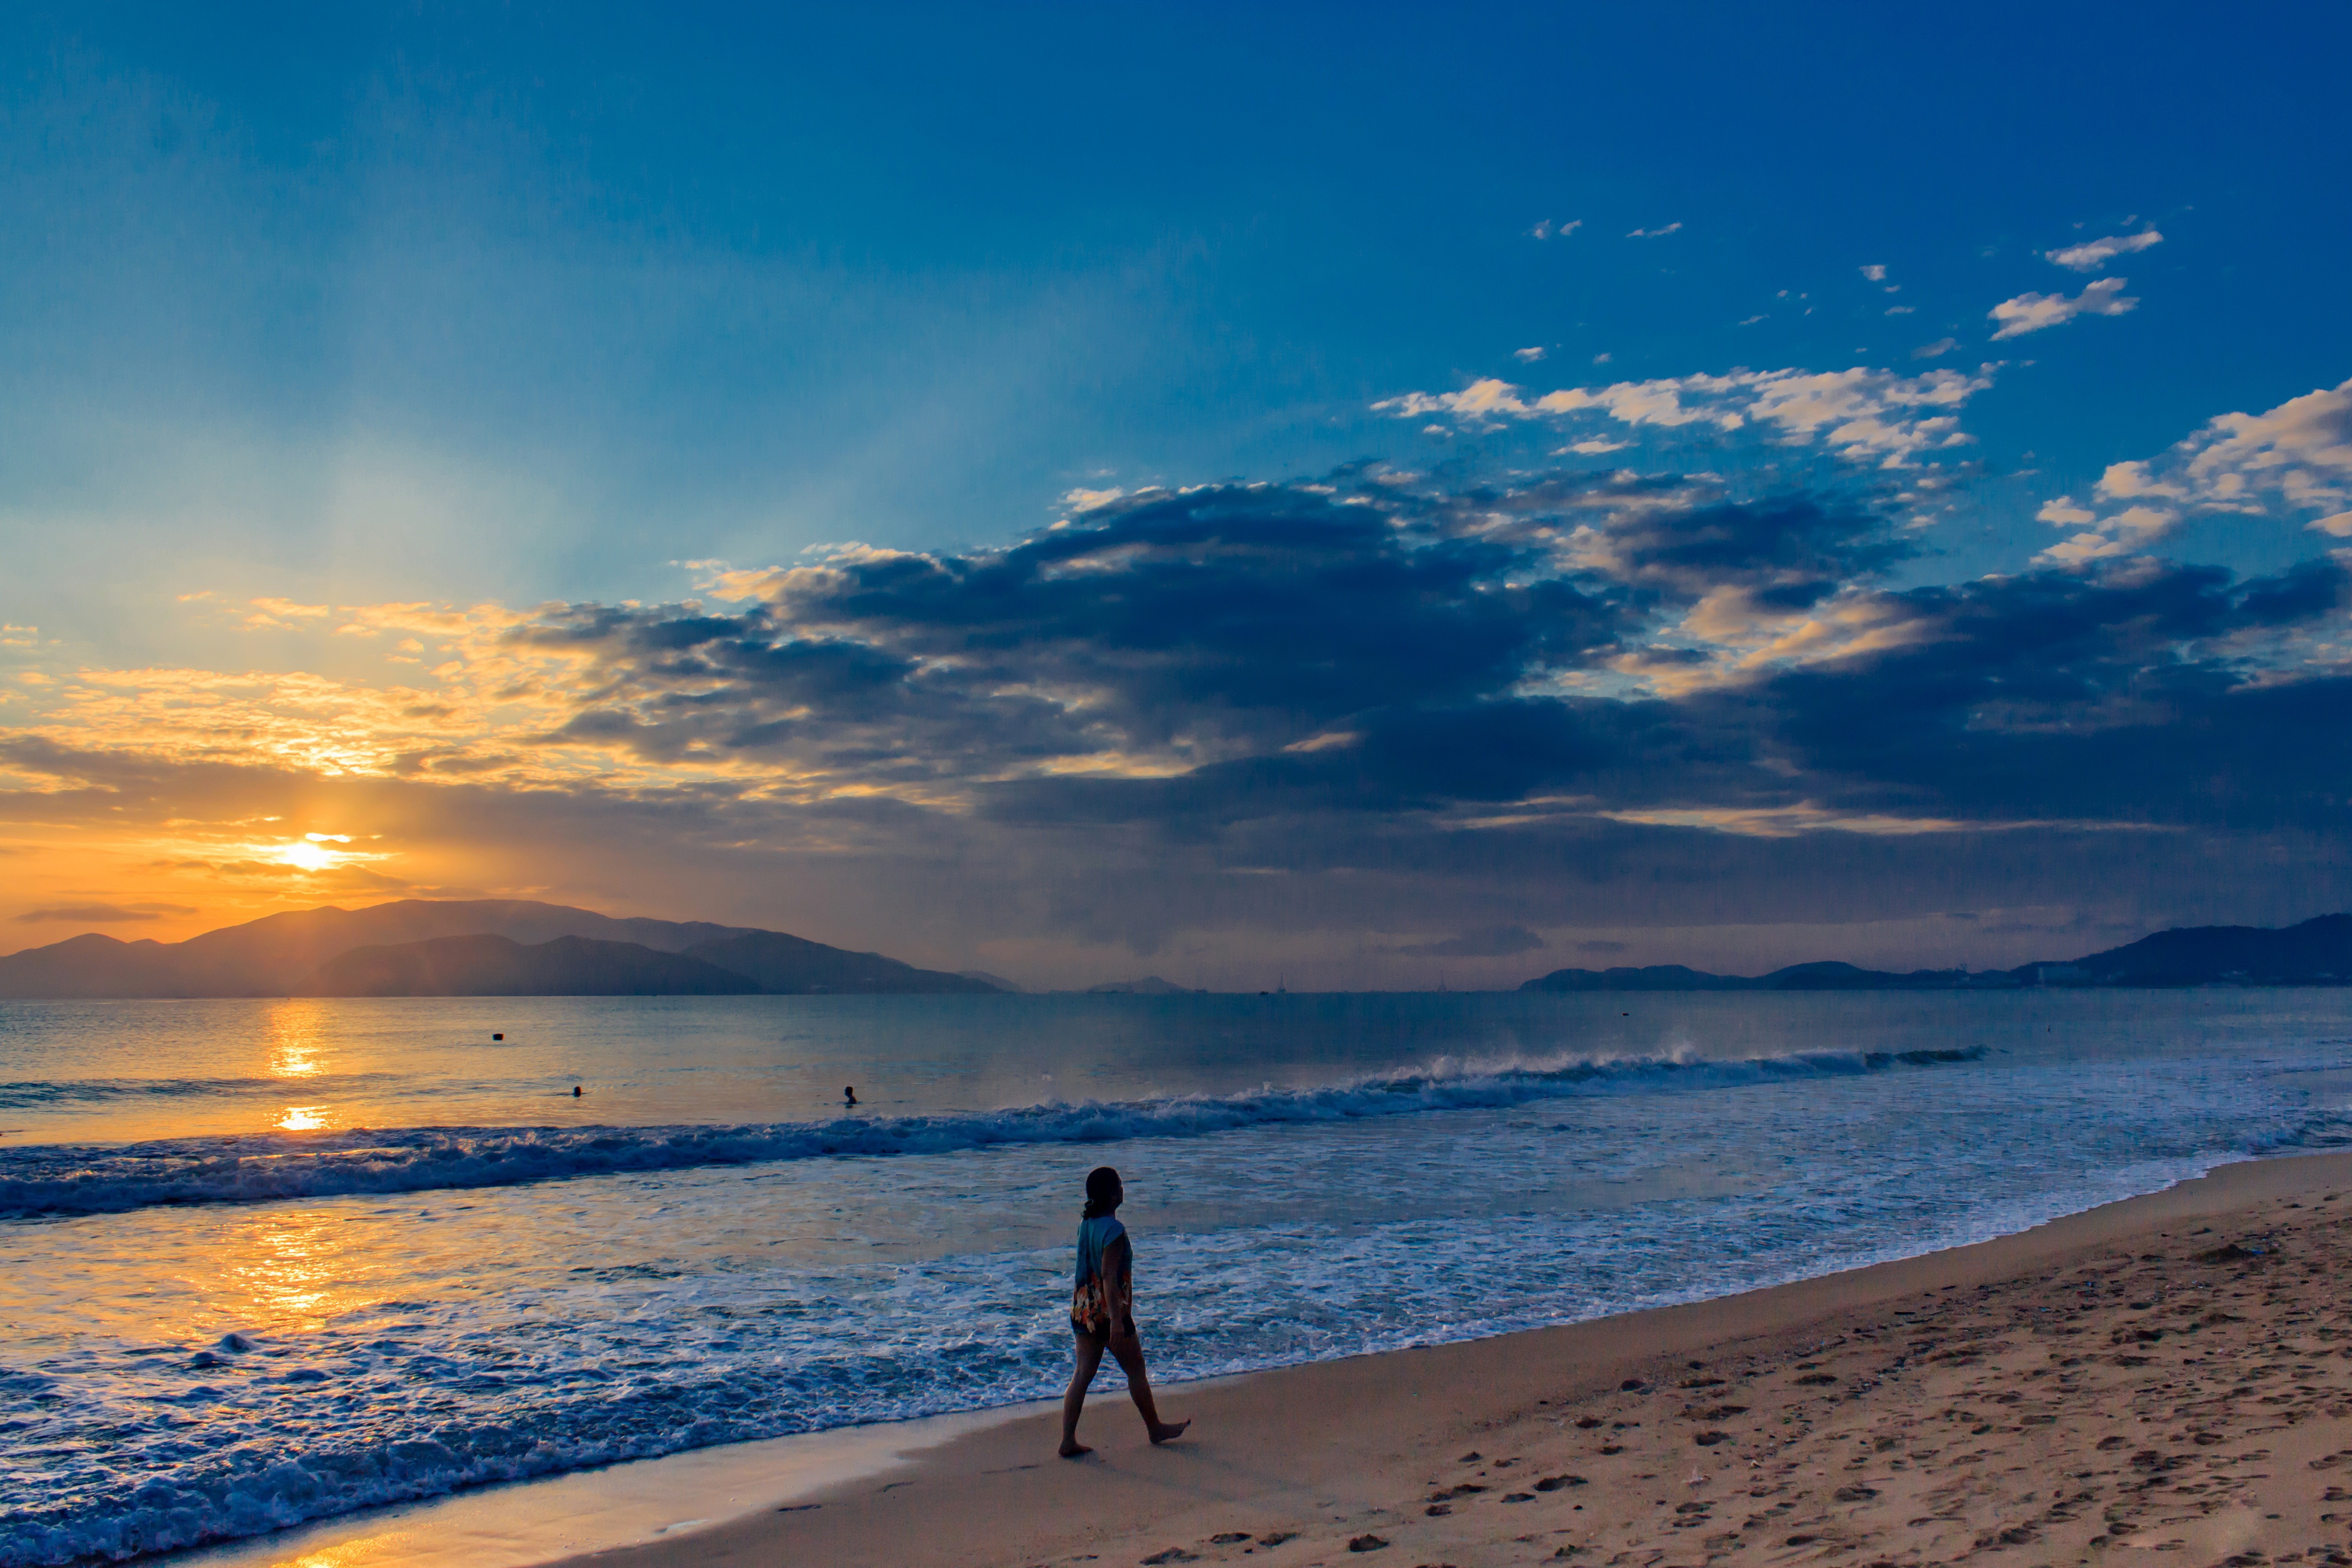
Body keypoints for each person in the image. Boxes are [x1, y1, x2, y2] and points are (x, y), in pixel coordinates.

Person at [1059, 1165, 1189, 1456]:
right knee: (1136, 1369)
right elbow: (1108, 1276)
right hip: (1109, 1312)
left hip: (1084, 1309)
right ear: (1109, 1194)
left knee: (1082, 1373)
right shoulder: (1114, 1230)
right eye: (1119, 1185)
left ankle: (1067, 1439)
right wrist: (1117, 1321)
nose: (1123, 1189)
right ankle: (1154, 1427)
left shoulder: (1087, 1224)